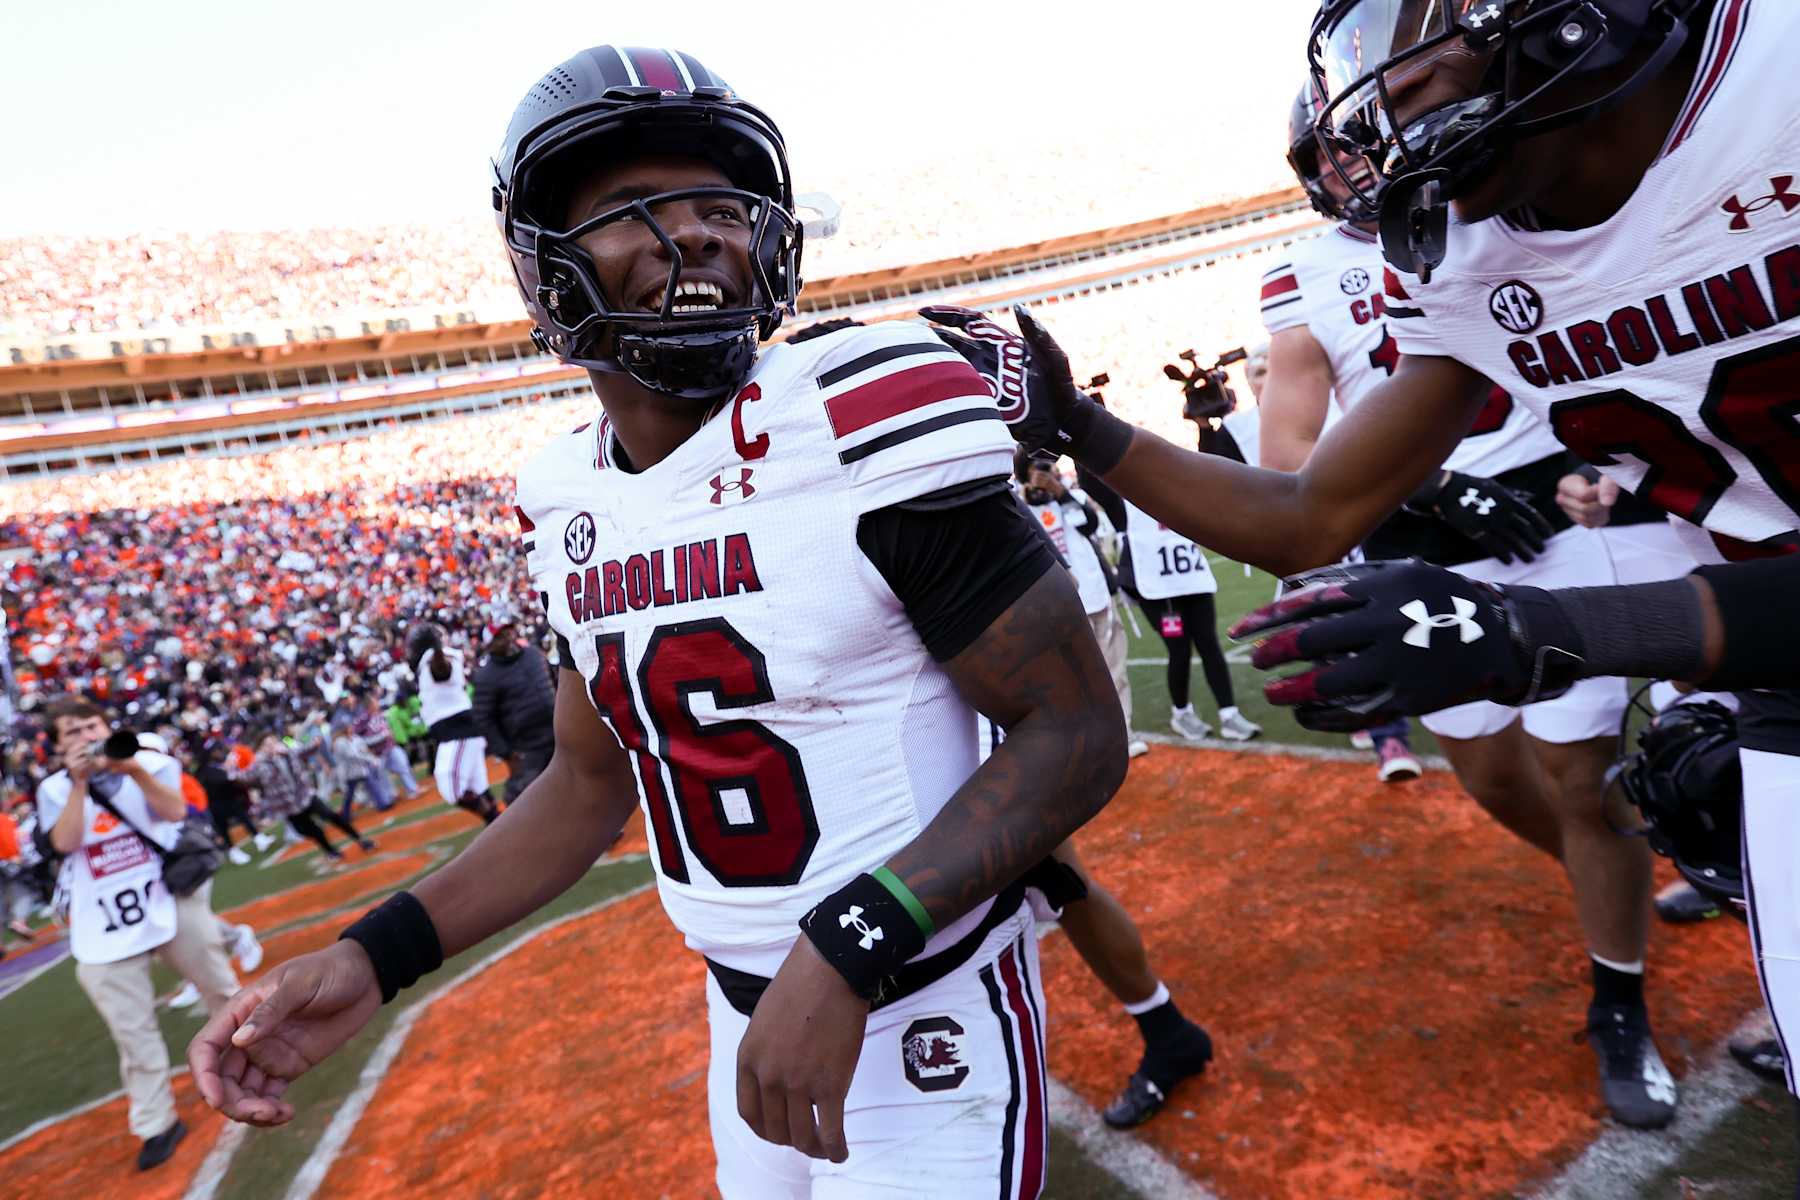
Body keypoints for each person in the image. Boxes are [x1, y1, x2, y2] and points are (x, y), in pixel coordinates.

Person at [189, 46, 1125, 1199]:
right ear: (544, 267)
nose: (698, 235)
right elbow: (587, 782)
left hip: (914, 1000)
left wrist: (849, 945)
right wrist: (371, 956)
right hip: (749, 1021)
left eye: (721, 204)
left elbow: (1073, 732)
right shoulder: (568, 497)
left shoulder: (863, 411)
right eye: (636, 209)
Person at [951, 0, 1800, 1149]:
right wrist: (1086, 429)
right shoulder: (1472, 250)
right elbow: (1308, 511)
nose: (1389, 123)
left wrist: (1543, 627)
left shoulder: (1774, 82)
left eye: (1414, 68)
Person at [36, 697, 246, 1171]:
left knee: (222, 990)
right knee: (133, 1032)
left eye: (91, 725)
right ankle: (156, 1122)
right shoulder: (52, 790)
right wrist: (78, 784)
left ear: (108, 727)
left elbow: (174, 812)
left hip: (165, 899)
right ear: (57, 747)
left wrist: (133, 771)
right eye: (71, 732)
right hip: (102, 921)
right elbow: (65, 842)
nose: (86, 737)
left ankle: (249, 1065)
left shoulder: (149, 762)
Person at [1014, 453, 1148, 759]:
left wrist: (1059, 493)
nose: (1047, 474)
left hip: (1098, 596)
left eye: (1049, 467)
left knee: (1115, 671)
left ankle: (1124, 734)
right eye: (1038, 469)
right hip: (1058, 608)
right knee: (1074, 680)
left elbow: (1089, 524)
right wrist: (1029, 495)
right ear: (1024, 474)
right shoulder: (1020, 509)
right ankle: (1091, 741)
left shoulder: (1071, 497)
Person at [242, 730, 376, 863]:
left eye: (273, 742)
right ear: (261, 749)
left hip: (305, 796)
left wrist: (315, 743)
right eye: (267, 744)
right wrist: (230, 769)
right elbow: (244, 776)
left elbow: (304, 750)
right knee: (311, 831)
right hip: (289, 807)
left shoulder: (288, 751)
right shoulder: (259, 764)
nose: (271, 746)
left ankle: (361, 839)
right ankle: (330, 851)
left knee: (331, 816)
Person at [408, 621, 495, 824]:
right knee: (478, 788)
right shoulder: (433, 661)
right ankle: (500, 826)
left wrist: (435, 648)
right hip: (460, 732)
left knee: (450, 787)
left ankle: (496, 821)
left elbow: (442, 669)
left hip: (458, 732)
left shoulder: (438, 659)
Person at [469, 618, 557, 807]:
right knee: (526, 796)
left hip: (558, 729)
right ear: (489, 645)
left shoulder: (533, 654)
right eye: (500, 636)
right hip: (528, 745)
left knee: (579, 778)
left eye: (508, 632)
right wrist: (505, 752)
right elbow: (483, 719)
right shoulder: (486, 676)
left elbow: (555, 680)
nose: (507, 638)